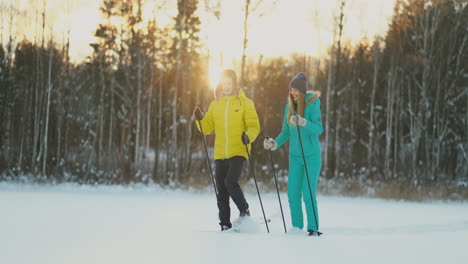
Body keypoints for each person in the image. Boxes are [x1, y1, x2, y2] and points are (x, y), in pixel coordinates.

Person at [193, 69, 260, 231]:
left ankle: (244, 211)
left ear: (234, 83)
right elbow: (207, 128)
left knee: (230, 182)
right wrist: (199, 119)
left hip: (239, 150)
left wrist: (248, 136)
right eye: (224, 83)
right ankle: (225, 224)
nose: (226, 86)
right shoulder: (216, 105)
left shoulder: (245, 103)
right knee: (221, 189)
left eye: (229, 83)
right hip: (221, 152)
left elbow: (254, 125)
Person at [263, 72, 323, 236]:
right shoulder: (288, 107)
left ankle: (313, 228)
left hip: (311, 156)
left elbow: (319, 128)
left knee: (307, 192)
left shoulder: (313, 103)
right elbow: (285, 132)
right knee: (292, 193)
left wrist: (304, 122)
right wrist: (274, 144)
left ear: (303, 90)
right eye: (291, 90)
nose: (294, 93)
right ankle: (296, 228)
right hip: (295, 157)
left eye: (297, 90)